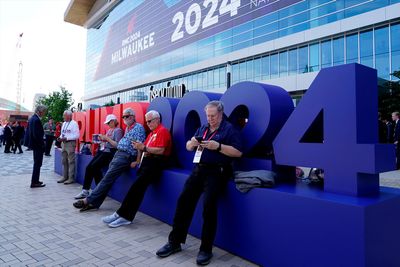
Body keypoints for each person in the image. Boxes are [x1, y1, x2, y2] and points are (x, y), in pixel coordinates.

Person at [156, 101, 243, 266]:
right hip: (198, 170)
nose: (210, 119)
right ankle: (174, 242)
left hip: (217, 172)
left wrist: (218, 147)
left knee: (209, 207)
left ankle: (206, 249)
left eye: (213, 116)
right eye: (208, 115)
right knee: (183, 202)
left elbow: (238, 152)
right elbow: (188, 146)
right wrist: (192, 143)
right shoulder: (203, 128)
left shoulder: (229, 129)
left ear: (221, 113)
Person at [101, 110, 172, 228]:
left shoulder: (162, 131)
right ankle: (121, 214)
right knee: (135, 190)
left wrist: (143, 147)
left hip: (155, 164)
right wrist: (140, 152)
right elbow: (146, 149)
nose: (148, 123)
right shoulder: (151, 133)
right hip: (147, 164)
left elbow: (161, 150)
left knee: (136, 190)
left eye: (150, 121)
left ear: (157, 120)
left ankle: (123, 215)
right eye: (146, 121)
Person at [73, 108, 145, 212]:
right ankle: (94, 203)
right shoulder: (128, 128)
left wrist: (138, 161)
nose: (125, 118)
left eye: (127, 116)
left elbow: (140, 145)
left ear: (133, 116)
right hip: (118, 154)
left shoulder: (138, 127)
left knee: (107, 178)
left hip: (126, 155)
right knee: (107, 179)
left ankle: (88, 200)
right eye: (123, 116)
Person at [74, 114, 124, 199]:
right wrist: (101, 141)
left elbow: (118, 145)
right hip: (104, 151)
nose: (107, 125)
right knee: (89, 167)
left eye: (108, 123)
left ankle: (92, 190)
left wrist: (106, 139)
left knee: (94, 167)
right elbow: (108, 143)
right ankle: (96, 190)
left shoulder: (118, 130)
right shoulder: (110, 130)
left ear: (113, 121)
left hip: (110, 153)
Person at [57, 110, 80, 184]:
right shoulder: (64, 123)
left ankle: (71, 178)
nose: (63, 117)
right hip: (63, 143)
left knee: (71, 161)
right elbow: (62, 133)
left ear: (69, 116)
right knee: (64, 161)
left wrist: (67, 138)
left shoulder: (74, 123)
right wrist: (60, 137)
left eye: (64, 115)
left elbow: (77, 136)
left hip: (70, 143)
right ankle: (64, 176)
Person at [28, 105, 47, 188]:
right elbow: (37, 135)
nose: (44, 114)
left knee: (37, 163)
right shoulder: (36, 120)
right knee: (37, 163)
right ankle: (34, 182)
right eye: (43, 112)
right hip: (38, 145)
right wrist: (42, 144)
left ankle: (35, 180)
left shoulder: (33, 118)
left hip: (35, 145)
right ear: (39, 111)